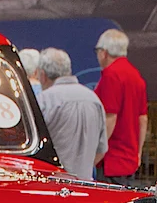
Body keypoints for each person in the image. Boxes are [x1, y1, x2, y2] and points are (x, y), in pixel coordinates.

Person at [37, 48, 107, 182]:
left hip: (52, 184)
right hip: (85, 185)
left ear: (43, 75)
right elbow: (101, 150)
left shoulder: (44, 100)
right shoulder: (94, 100)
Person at [93, 29, 147, 185]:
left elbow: (110, 118)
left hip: (112, 159)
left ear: (104, 53)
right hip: (129, 159)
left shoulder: (111, 75)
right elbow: (143, 119)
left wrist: (96, 155)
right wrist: (138, 153)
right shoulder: (136, 75)